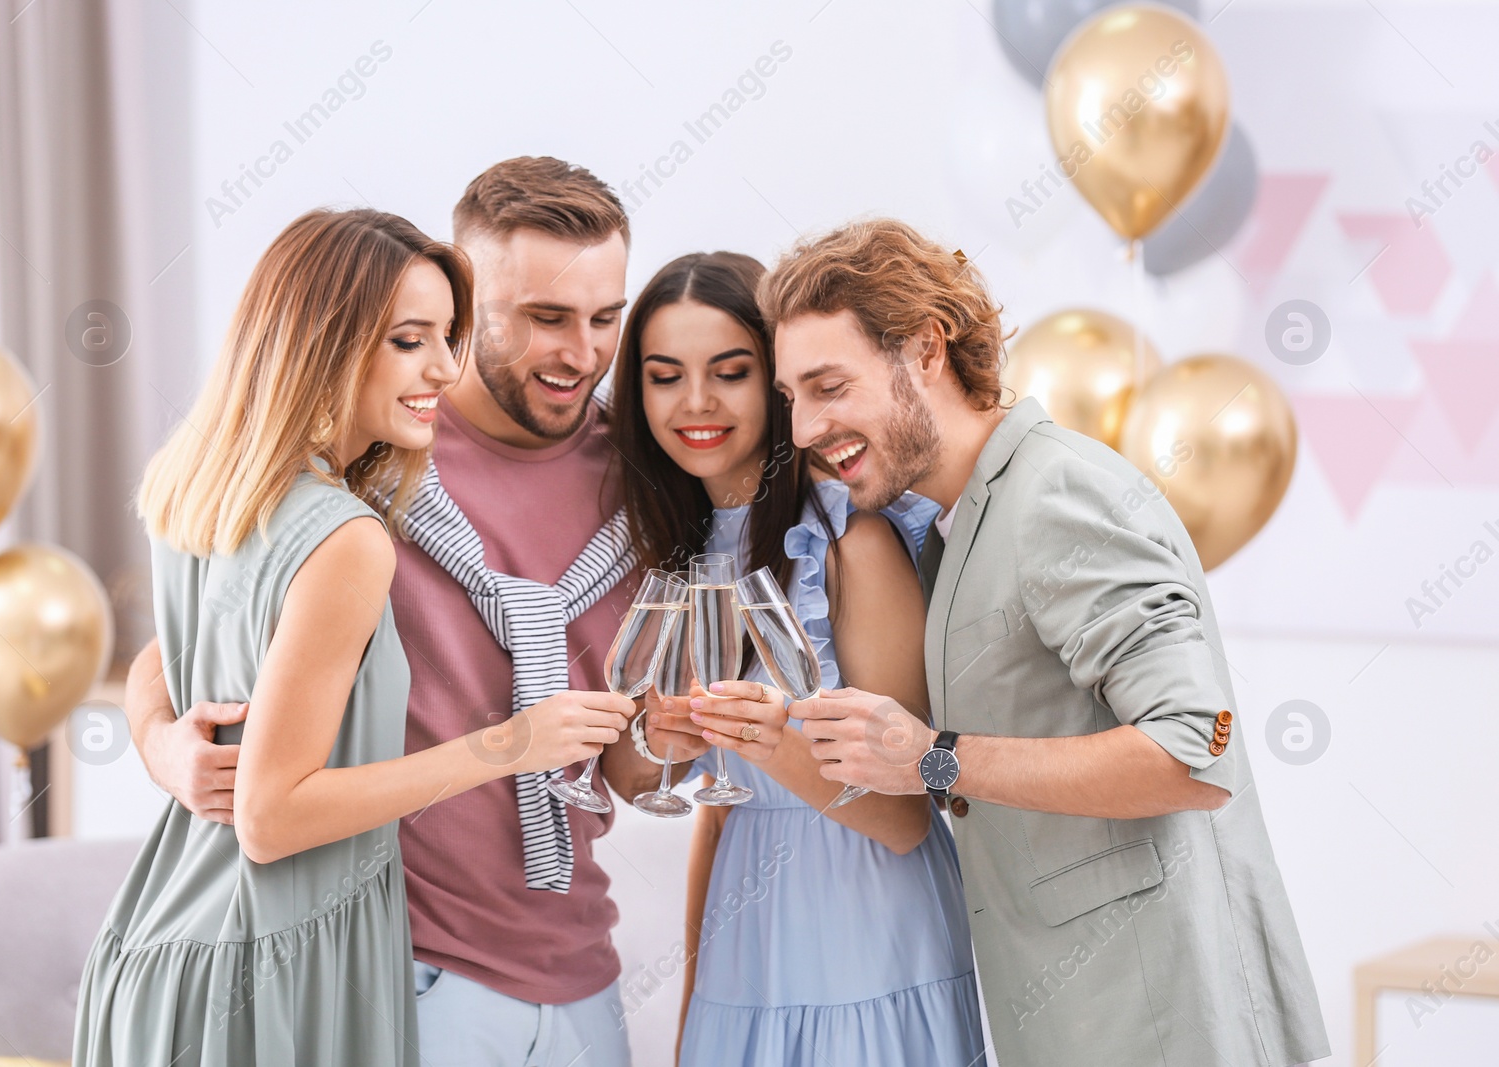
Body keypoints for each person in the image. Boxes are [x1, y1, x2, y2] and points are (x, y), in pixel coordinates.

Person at [118, 158, 734, 1067]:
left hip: (580, 974)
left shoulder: (649, 483)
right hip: (403, 972)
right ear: (465, 303)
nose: (582, 352)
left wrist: (663, 744)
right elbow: (185, 639)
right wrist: (162, 743)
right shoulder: (379, 444)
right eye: (544, 318)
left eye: (605, 318)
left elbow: (622, 770)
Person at [766, 219, 1330, 1066]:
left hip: (1172, 1032)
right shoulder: (955, 530)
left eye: (829, 386)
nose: (805, 426)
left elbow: (1196, 751)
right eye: (790, 397)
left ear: (926, 348)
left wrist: (935, 758)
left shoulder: (1059, 495)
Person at [607, 251, 987, 1065]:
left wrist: (769, 735)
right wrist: (693, 1011)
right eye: (664, 375)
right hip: (744, 956)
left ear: (776, 385)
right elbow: (715, 804)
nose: (696, 402)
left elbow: (903, 812)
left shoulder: (854, 542)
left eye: (731, 372)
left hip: (870, 942)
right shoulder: (682, 554)